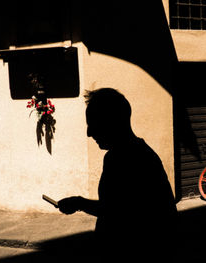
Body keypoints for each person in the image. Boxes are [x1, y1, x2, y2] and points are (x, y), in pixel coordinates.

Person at [58, 88, 177, 261]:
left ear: (112, 121)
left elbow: (117, 212)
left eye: (93, 123)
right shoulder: (137, 154)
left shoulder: (124, 158)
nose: (89, 133)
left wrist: (79, 203)